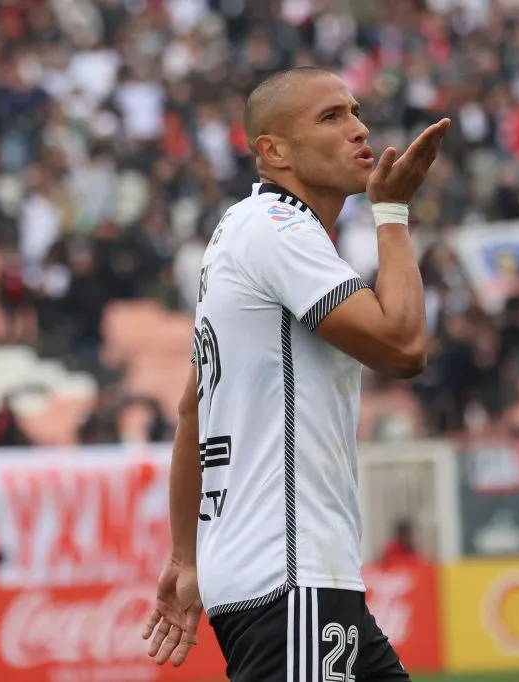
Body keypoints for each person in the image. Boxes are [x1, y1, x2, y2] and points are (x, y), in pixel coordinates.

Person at [142, 67, 450, 682]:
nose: (359, 129)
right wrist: (391, 212)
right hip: (291, 575)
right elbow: (404, 345)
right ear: (272, 150)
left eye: (356, 111)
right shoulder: (277, 229)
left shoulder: (245, 231)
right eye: (331, 117)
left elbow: (191, 411)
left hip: (286, 576)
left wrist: (185, 558)